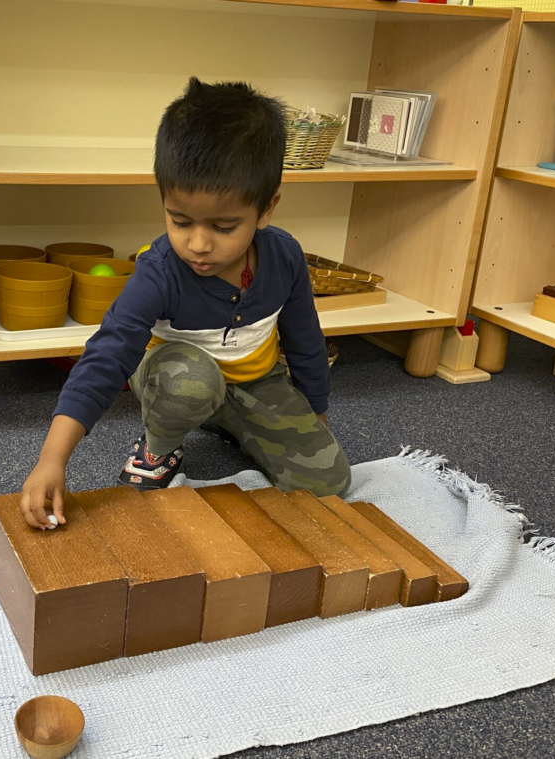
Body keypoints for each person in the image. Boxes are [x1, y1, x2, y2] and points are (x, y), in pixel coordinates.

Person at [20, 77, 351, 530]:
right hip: (174, 376)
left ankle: (227, 420)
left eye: (223, 226)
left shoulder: (286, 256)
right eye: (180, 221)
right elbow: (106, 356)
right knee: (192, 383)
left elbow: (306, 339)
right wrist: (51, 460)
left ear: (267, 208)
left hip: (258, 380)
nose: (197, 244)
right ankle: (159, 447)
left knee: (329, 483)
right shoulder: (159, 270)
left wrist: (315, 416)